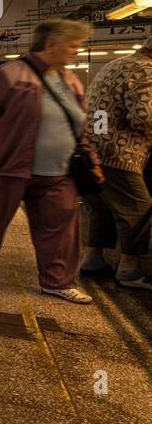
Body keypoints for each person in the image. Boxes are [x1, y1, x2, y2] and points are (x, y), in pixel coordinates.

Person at [0, 19, 101, 304]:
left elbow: (78, 125)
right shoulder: (8, 75)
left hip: (58, 172)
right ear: (50, 45)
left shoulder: (69, 80)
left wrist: (91, 158)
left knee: (61, 227)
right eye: (72, 45)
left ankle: (58, 280)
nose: (76, 51)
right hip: (7, 166)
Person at [80, 44, 152, 289]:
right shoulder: (146, 70)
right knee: (138, 208)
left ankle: (92, 259)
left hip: (91, 150)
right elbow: (144, 117)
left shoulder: (116, 64)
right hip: (118, 152)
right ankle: (129, 270)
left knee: (100, 206)